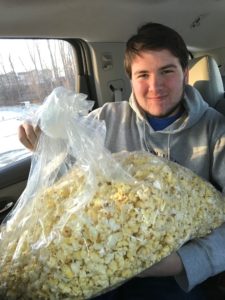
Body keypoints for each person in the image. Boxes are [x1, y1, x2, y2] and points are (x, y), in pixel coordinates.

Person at [18, 22, 225, 299]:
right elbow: (71, 184)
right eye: (143, 75)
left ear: (185, 74)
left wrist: (183, 262)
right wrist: (47, 146)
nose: (155, 86)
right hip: (102, 257)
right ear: (130, 80)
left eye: (167, 71)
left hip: (177, 272)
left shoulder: (215, 131)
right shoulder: (106, 119)